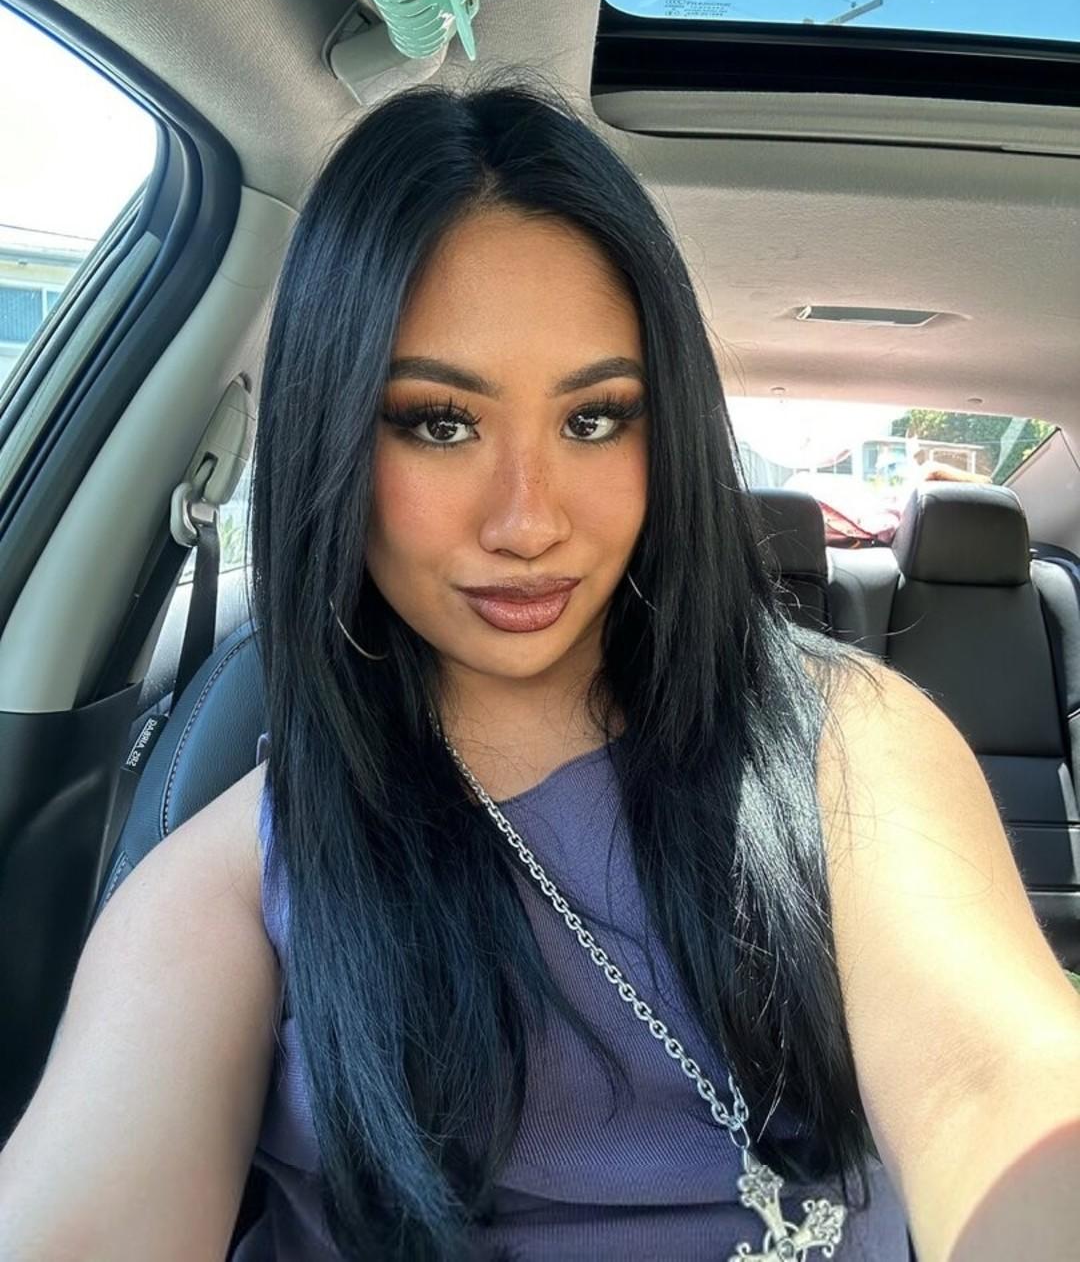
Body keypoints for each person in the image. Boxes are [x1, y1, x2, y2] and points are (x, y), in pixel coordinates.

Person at [1, 84, 1078, 1262]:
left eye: (596, 418)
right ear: (332, 433)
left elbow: (995, 1086)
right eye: (440, 422)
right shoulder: (239, 879)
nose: (527, 522)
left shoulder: (848, 745)